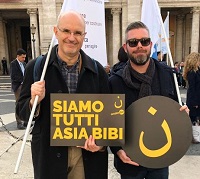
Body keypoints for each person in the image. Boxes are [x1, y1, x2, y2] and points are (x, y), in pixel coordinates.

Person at [16, 11, 109, 179]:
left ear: (84, 36)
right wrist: (33, 101)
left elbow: (109, 118)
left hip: (85, 155)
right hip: (49, 154)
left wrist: (101, 143)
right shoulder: (36, 67)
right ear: (56, 31)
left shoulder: (98, 71)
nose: (71, 38)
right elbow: (21, 113)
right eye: (66, 31)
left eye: (78, 33)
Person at [109, 21, 189, 179]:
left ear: (150, 44)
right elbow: (111, 121)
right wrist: (117, 150)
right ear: (126, 47)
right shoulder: (115, 82)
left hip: (160, 157)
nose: (139, 45)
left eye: (144, 41)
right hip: (129, 161)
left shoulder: (167, 75)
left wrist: (182, 113)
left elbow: (174, 108)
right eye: (133, 42)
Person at [10, 48, 27, 129]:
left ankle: (26, 121)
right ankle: (19, 122)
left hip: (25, 86)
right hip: (18, 86)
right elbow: (13, 76)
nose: (24, 59)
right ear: (18, 56)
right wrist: (22, 80)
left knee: (26, 102)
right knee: (18, 103)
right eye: (22, 57)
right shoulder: (13, 64)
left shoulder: (24, 64)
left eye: (25, 57)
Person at [183, 52, 200, 125]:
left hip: (197, 100)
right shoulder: (192, 73)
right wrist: (194, 103)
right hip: (194, 102)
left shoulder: (197, 71)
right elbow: (192, 89)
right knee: (194, 121)